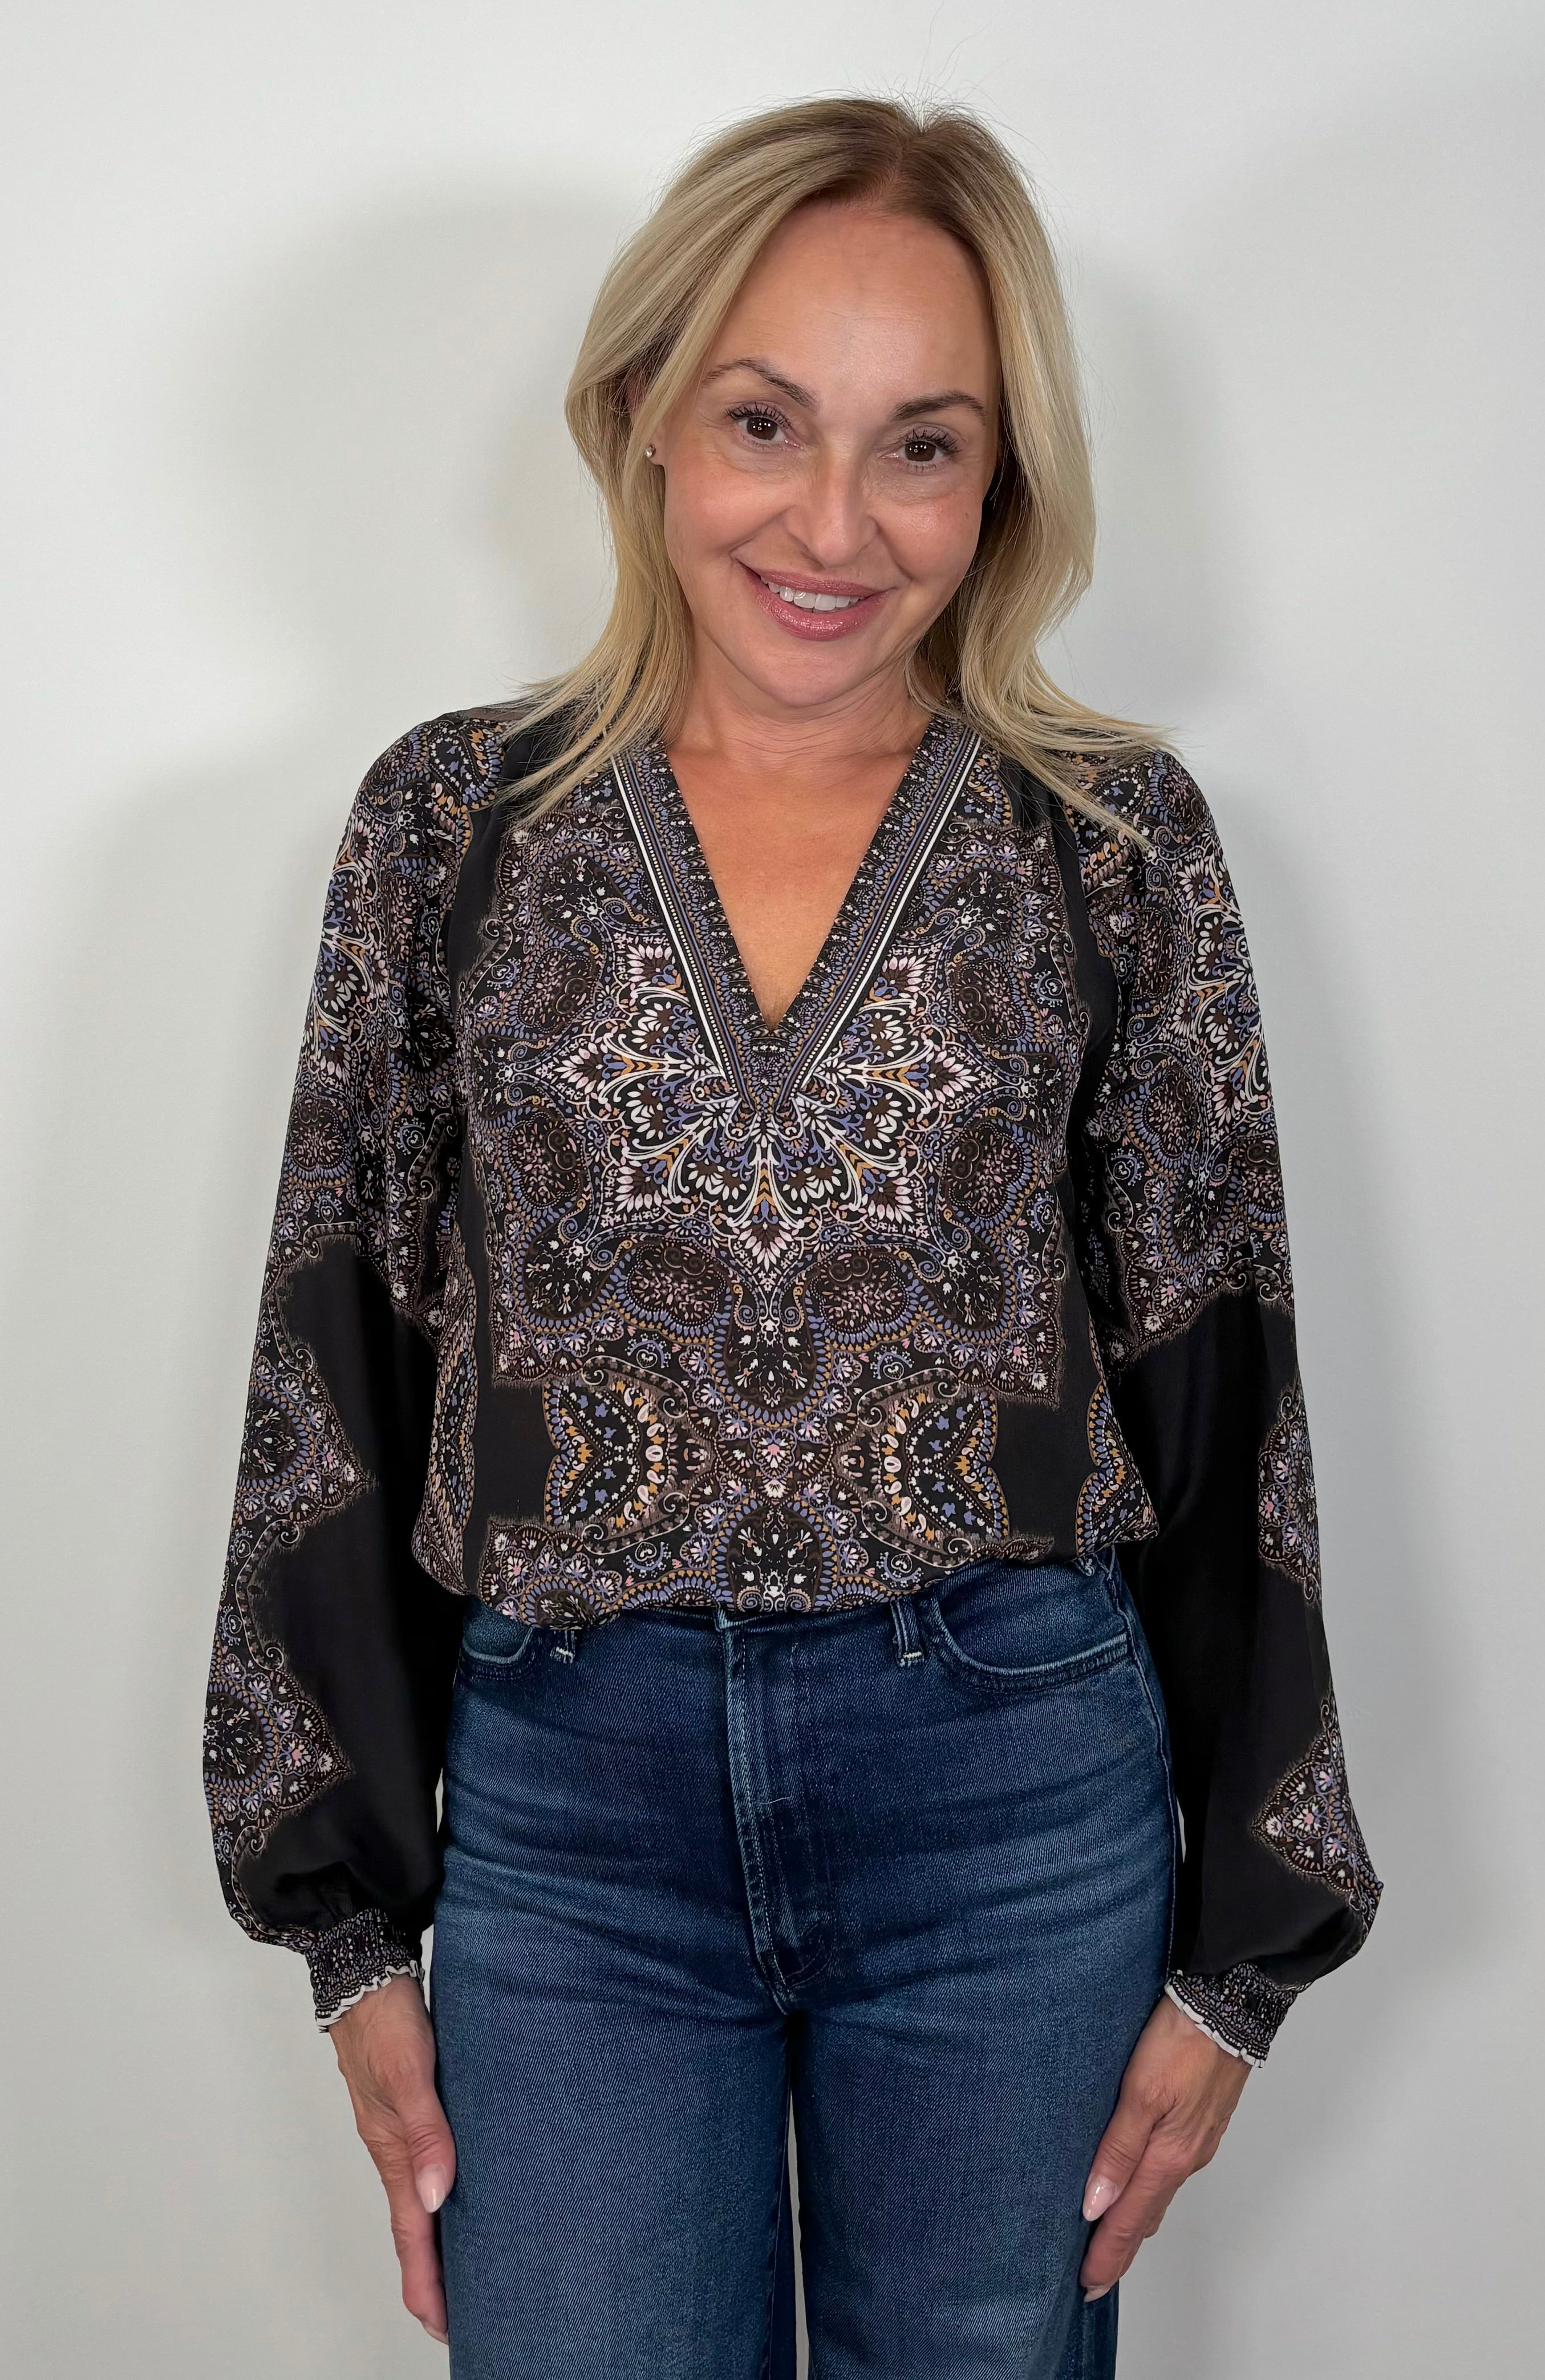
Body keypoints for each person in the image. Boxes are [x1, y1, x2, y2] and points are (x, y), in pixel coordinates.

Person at [202, 95, 1380, 2379]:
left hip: (1011, 1786)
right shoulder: (454, 821)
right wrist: (348, 1930)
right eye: (766, 423)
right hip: (569, 1808)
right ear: (646, 420)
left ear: (1000, 484)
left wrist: (1247, 1949)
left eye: (921, 448)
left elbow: (1222, 1376)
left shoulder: (1105, 839)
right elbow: (332, 1348)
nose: (833, 524)